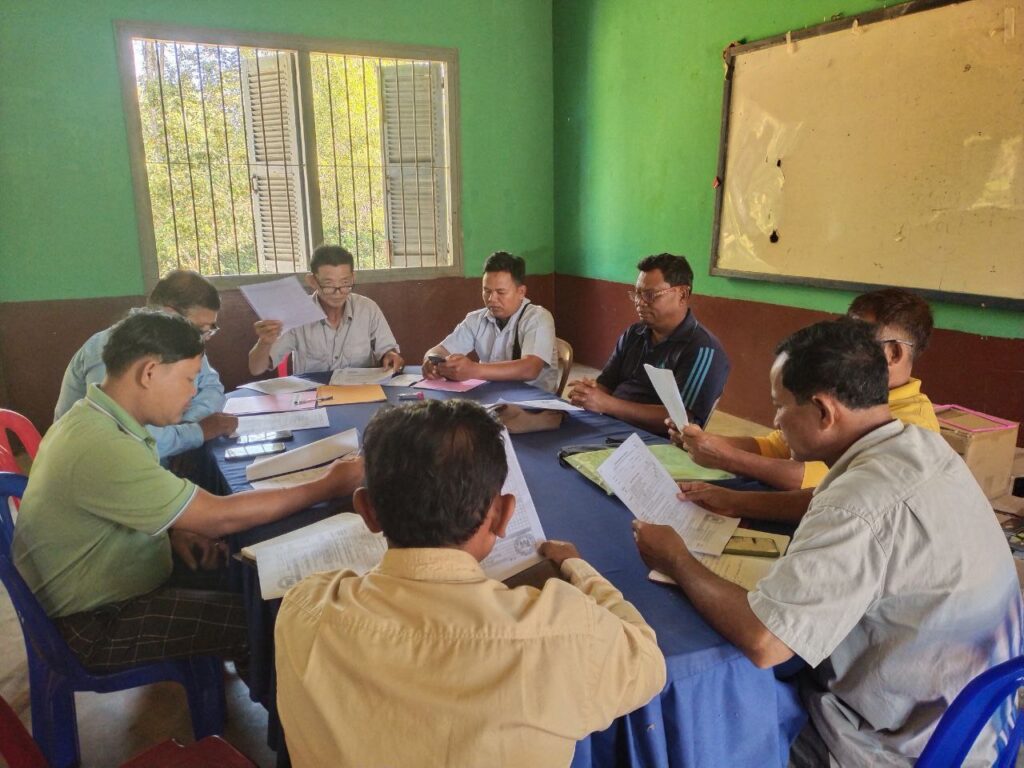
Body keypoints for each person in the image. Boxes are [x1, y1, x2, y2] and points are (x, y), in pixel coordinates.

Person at [633, 318, 1022, 767]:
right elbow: (829, 503)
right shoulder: (919, 445)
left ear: (823, 410)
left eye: (780, 407)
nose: (776, 421)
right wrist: (737, 502)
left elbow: (766, 642)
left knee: (705, 722)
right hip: (983, 721)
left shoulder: (858, 503)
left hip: (899, 745)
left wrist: (677, 559)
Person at [275, 399, 666, 767]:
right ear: (502, 515)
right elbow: (648, 661)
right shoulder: (566, 636)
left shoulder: (304, 610)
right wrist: (578, 568)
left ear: (366, 512)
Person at [14, 311, 363, 672]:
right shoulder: (102, 444)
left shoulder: (96, 418)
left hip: (100, 586)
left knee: (244, 573)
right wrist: (328, 484)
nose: (194, 391)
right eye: (188, 378)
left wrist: (171, 532)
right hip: (93, 624)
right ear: (149, 373)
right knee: (272, 618)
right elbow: (219, 517)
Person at [677, 287, 940, 499]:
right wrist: (707, 441)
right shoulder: (845, 388)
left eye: (857, 339)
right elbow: (777, 445)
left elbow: (817, 485)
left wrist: (727, 460)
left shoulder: (913, 428)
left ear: (894, 353)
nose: (843, 346)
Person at [54, 270, 237, 459]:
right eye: (200, 329)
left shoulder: (183, 344)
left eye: (209, 331)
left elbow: (212, 387)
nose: (204, 338)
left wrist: (185, 425)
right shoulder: (113, 348)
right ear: (170, 314)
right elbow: (132, 440)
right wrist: (196, 432)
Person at [568, 253, 729, 432]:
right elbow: (606, 384)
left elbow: (682, 419)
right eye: (637, 294)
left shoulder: (703, 348)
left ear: (682, 295)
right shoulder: (634, 333)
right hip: (611, 424)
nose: (640, 302)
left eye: (650, 295)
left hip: (651, 441)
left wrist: (609, 405)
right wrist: (589, 393)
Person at [248, 244, 403, 376]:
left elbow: (388, 351)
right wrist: (264, 343)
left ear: (353, 278)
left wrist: (390, 356)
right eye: (329, 285)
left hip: (360, 391)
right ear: (312, 281)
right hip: (313, 395)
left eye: (345, 283)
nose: (338, 292)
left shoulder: (367, 309)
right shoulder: (296, 314)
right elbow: (256, 369)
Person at [422, 251, 559, 392]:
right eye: (487, 291)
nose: (491, 299)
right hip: (491, 395)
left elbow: (530, 368)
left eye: (501, 292)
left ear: (521, 292)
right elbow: (439, 350)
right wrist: (432, 361)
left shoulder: (538, 317)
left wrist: (474, 370)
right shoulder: (476, 319)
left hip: (532, 401)